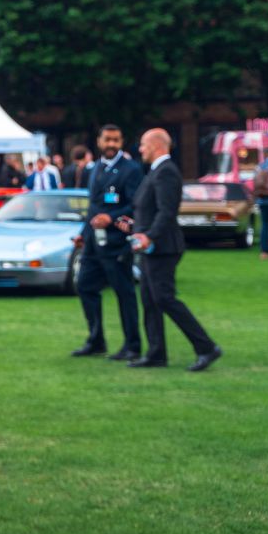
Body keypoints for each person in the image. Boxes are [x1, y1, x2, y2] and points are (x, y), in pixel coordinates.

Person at [117, 128, 223, 371]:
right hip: (151, 246)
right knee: (150, 300)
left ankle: (206, 347)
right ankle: (156, 354)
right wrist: (135, 227)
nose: (140, 149)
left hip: (163, 247)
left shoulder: (167, 172)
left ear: (156, 145)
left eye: (143, 144)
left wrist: (149, 235)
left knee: (164, 298)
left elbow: (167, 211)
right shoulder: (156, 171)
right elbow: (151, 210)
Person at [73, 124, 143, 359]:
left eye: (116, 140)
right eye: (107, 139)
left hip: (117, 242)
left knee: (124, 293)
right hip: (94, 242)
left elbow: (135, 204)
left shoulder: (131, 169)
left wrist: (111, 218)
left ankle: (132, 345)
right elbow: (94, 207)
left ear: (121, 142)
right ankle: (96, 340)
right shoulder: (95, 168)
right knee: (84, 285)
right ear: (99, 141)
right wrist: (83, 233)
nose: (111, 144)